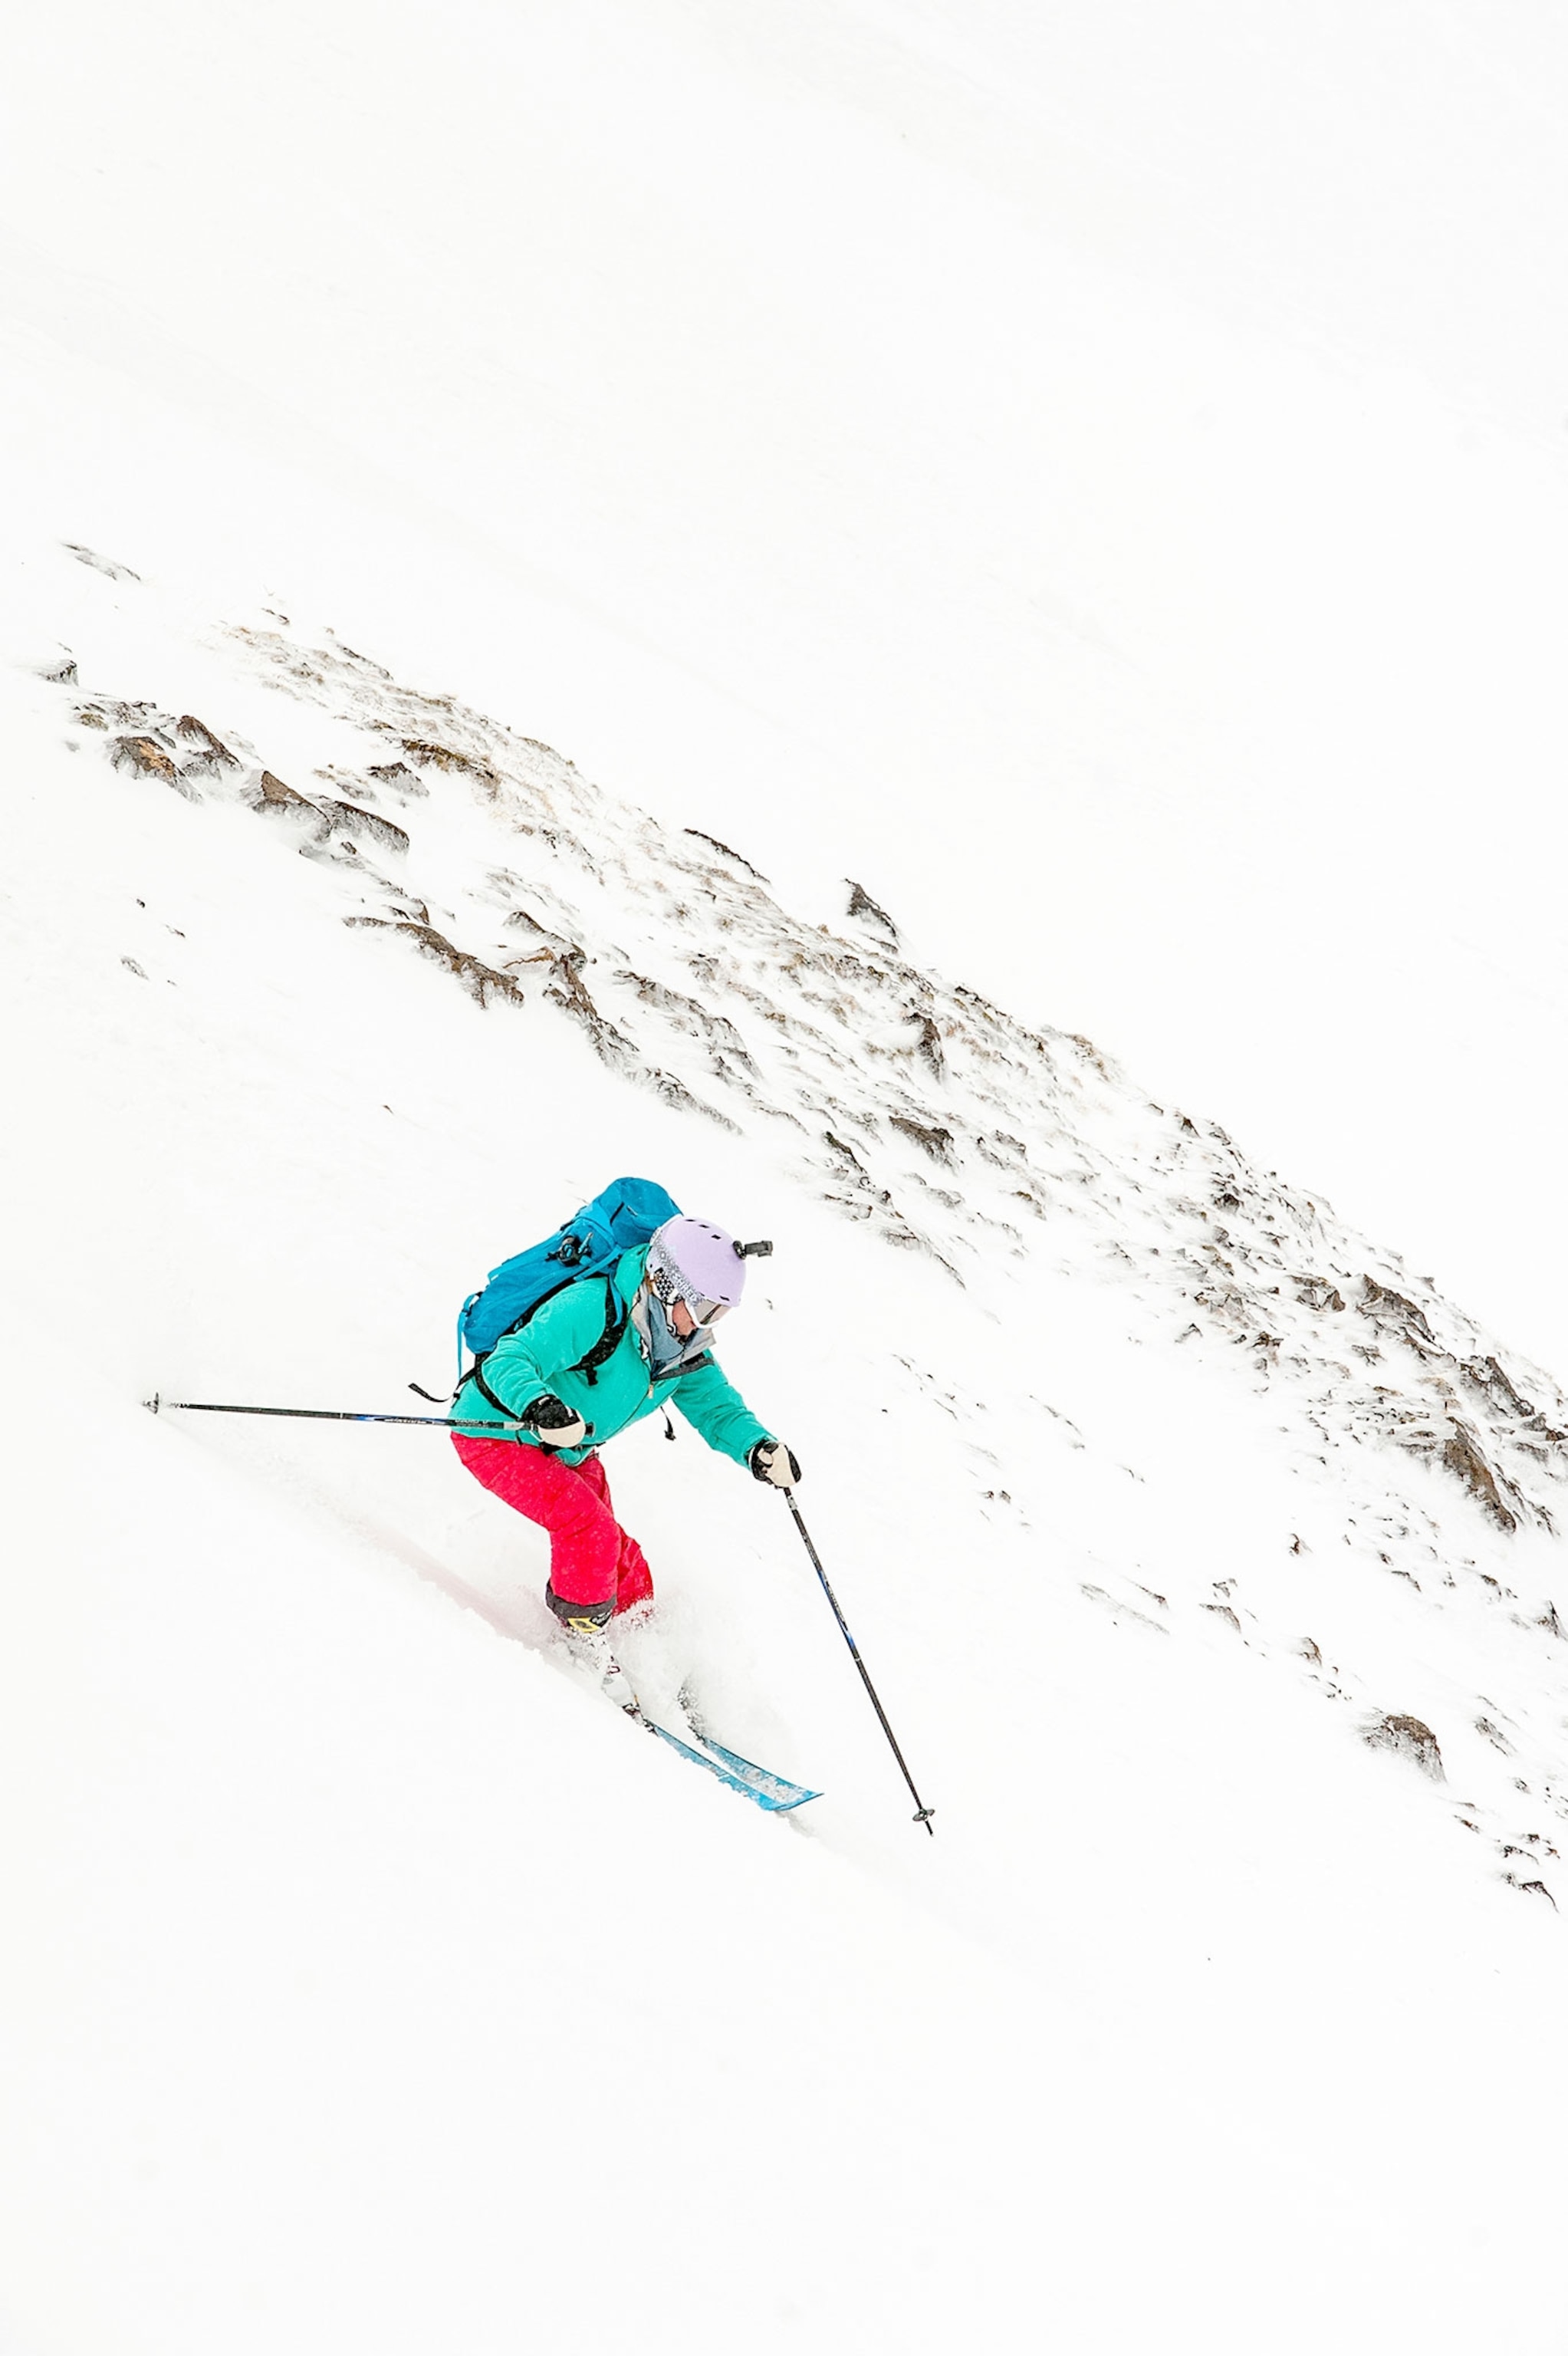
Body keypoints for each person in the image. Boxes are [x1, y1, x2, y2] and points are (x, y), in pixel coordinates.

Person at [450, 1214, 800, 1655]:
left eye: (720, 1313)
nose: (707, 1323)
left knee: (621, 1557)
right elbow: (509, 1358)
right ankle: (584, 1644)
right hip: (499, 1433)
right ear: (667, 1284)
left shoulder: (677, 1347)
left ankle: (644, 1650)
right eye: (704, 1309)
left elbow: (717, 1408)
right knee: (588, 1528)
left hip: (570, 1448)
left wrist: (758, 1447)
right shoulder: (593, 1307)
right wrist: (540, 1406)